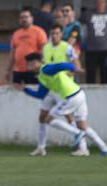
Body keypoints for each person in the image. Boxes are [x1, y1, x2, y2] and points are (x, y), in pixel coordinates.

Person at [21, 52, 107, 157]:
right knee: (82, 125)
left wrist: (72, 71)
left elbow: (68, 65)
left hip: (70, 97)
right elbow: (41, 94)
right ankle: (105, 149)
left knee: (48, 120)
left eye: (29, 64)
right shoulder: (41, 76)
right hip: (79, 94)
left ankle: (77, 133)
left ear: (36, 63)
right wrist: (25, 89)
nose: (28, 66)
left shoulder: (46, 69)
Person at [29, 24, 81, 156]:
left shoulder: (67, 47)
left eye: (57, 33)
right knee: (42, 116)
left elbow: (75, 64)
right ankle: (41, 147)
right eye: (52, 33)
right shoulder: (46, 48)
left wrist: (71, 73)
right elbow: (43, 65)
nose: (54, 36)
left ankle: (79, 145)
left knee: (69, 116)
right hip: (50, 87)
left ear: (61, 34)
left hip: (63, 88)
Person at [7, 7, 48, 85]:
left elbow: (44, 50)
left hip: (33, 71)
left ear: (32, 18)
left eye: (26, 17)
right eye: (21, 17)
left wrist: (42, 67)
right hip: (18, 71)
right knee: (18, 95)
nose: (24, 19)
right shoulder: (16, 33)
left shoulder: (39, 31)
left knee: (33, 94)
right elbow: (12, 53)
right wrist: (8, 70)